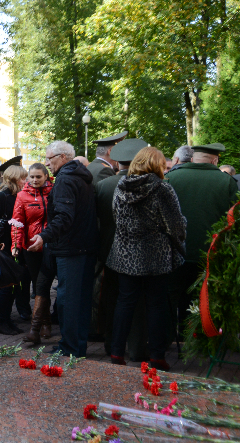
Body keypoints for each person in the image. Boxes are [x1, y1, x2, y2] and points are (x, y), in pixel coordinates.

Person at [108, 147, 186, 371]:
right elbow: (175, 225)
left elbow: (117, 218)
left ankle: (116, 353)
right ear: (155, 164)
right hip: (155, 255)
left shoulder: (120, 186)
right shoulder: (163, 188)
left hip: (126, 254)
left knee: (125, 303)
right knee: (156, 304)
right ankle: (157, 356)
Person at [28, 140, 98, 358]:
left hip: (71, 249)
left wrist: (43, 235)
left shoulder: (66, 180)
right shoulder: (81, 177)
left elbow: (64, 218)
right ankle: (78, 345)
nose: (47, 163)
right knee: (81, 300)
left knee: (68, 301)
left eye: (50, 158)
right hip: (84, 248)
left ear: (63, 157)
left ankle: (70, 348)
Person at [166, 142, 238, 340]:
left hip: (175, 250)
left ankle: (167, 338)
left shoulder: (171, 177)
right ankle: (196, 339)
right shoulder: (226, 182)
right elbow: (232, 219)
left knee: (171, 296)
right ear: (215, 160)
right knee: (201, 298)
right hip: (209, 252)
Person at [93, 138, 146, 357]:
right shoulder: (149, 184)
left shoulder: (104, 185)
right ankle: (136, 348)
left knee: (111, 298)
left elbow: (96, 219)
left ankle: (111, 344)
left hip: (108, 249)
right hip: (139, 253)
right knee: (137, 301)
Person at [11, 163, 53, 344]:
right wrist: (15, 244)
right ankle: (45, 323)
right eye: (32, 177)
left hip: (52, 244)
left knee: (45, 285)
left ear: (46, 176)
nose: (35, 180)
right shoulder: (22, 195)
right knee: (39, 285)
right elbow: (17, 222)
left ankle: (43, 323)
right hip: (32, 247)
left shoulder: (54, 192)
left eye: (38, 177)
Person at [0, 164, 29, 335]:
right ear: (15, 178)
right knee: (7, 285)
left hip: (15, 246)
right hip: (3, 247)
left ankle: (5, 318)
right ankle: (0, 321)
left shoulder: (18, 196)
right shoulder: (0, 197)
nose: (26, 181)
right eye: (23, 178)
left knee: (12, 286)